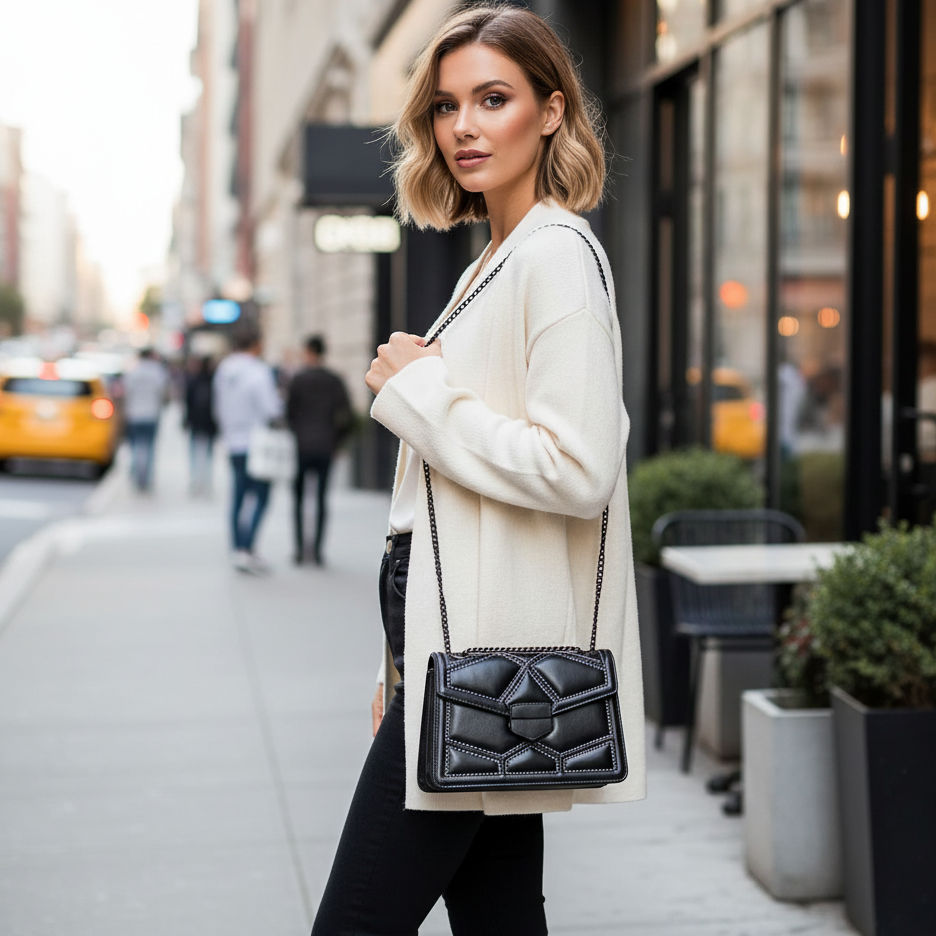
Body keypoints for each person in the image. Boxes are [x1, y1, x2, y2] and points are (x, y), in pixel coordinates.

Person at [310, 7, 645, 935]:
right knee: (499, 916)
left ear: (549, 110)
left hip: (488, 660)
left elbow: (579, 468)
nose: (462, 126)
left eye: (492, 99)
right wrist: (399, 652)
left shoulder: (557, 255)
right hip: (456, 642)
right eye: (447, 105)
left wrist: (421, 395)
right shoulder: (491, 261)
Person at [212, 323, 283, 574]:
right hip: (256, 442)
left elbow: (218, 406)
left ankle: (237, 549)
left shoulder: (224, 370)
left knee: (238, 497)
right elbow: (270, 408)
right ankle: (247, 548)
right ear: (255, 343)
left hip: (233, 441)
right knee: (261, 497)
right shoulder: (258, 371)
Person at [286, 335, 353, 565]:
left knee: (298, 499)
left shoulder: (298, 379)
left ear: (308, 351)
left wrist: (296, 434)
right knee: (322, 500)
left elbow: (288, 414)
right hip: (326, 447)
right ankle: (317, 551)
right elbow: (347, 415)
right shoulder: (334, 380)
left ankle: (298, 550)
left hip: (302, 447)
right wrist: (337, 442)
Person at [122, 348, 168, 492]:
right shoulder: (157, 372)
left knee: (136, 447)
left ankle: (138, 476)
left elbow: (126, 393)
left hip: (134, 415)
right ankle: (146, 478)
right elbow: (164, 393)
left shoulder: (133, 372)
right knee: (149, 448)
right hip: (151, 414)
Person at [183, 355, 218, 496]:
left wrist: (187, 420)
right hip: (209, 423)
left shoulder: (194, 381)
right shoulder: (214, 382)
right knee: (208, 454)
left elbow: (188, 403)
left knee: (194, 453)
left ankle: (196, 480)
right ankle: (206, 481)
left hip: (196, 422)